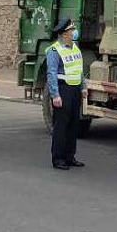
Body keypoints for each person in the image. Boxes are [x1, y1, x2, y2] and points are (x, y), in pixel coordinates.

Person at [46, 19, 86, 171]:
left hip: (75, 90)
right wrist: (55, 95)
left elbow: (79, 69)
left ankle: (70, 156)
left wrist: (83, 87)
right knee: (61, 126)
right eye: (71, 30)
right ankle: (58, 158)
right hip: (63, 90)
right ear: (63, 34)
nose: (73, 32)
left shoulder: (75, 48)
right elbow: (51, 74)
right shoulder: (54, 51)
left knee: (73, 125)